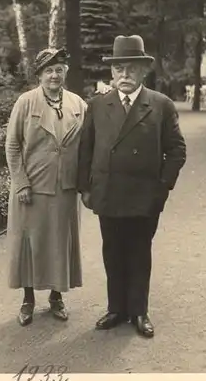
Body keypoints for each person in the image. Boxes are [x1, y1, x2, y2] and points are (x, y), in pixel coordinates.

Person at [78, 35, 186, 338]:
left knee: (139, 252)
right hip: (107, 194)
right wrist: (84, 189)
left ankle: (138, 311)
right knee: (112, 252)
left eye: (131, 70)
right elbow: (85, 150)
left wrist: (162, 188)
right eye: (119, 70)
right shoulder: (98, 105)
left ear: (143, 72)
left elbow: (177, 150)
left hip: (144, 197)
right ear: (112, 74)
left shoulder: (161, 105)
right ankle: (116, 309)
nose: (125, 76)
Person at [5, 47, 87, 326]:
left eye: (59, 70)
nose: (55, 75)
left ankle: (56, 296)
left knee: (59, 243)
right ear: (39, 75)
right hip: (32, 188)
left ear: (66, 73)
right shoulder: (26, 102)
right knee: (30, 244)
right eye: (49, 70)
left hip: (65, 188)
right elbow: (13, 145)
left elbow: (87, 144)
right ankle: (28, 299)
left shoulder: (78, 103)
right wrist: (21, 183)